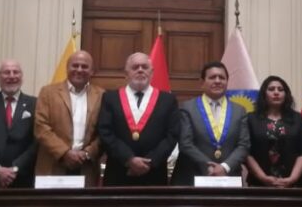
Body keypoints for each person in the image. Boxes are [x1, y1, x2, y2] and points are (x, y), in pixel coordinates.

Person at [96, 52, 180, 186]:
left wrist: (150, 161)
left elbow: (172, 135)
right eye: (135, 67)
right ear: (126, 73)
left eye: (145, 67)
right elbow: (105, 132)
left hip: (154, 174)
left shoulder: (168, 100)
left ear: (152, 72)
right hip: (118, 172)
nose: (140, 70)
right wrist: (129, 159)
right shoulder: (110, 98)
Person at [171, 61, 250, 185]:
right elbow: (185, 143)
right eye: (212, 77)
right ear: (202, 82)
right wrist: (208, 166)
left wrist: (224, 167)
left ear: (227, 82)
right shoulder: (187, 108)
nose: (218, 81)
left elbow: (244, 145)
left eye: (222, 78)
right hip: (193, 176)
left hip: (228, 177)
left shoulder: (239, 110)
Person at [35, 49, 104, 186]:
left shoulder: (102, 95)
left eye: (84, 66)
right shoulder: (48, 92)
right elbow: (40, 127)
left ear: (92, 71)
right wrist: (65, 152)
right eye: (75, 65)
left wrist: (87, 153)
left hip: (86, 167)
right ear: (67, 68)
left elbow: (104, 132)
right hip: (53, 164)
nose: (79, 69)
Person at [0, 59, 37, 188]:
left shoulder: (35, 104)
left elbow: (37, 141)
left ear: (21, 76)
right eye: (6, 72)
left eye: (15, 72)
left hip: (23, 178)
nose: (11, 76)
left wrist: (16, 168)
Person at [245, 75, 302, 187]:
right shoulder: (251, 119)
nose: (276, 92)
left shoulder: (297, 118)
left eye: (280, 90)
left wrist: (292, 179)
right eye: (271, 89)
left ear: (286, 94)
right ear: (264, 94)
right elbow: (246, 153)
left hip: (293, 185)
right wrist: (262, 178)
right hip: (259, 185)